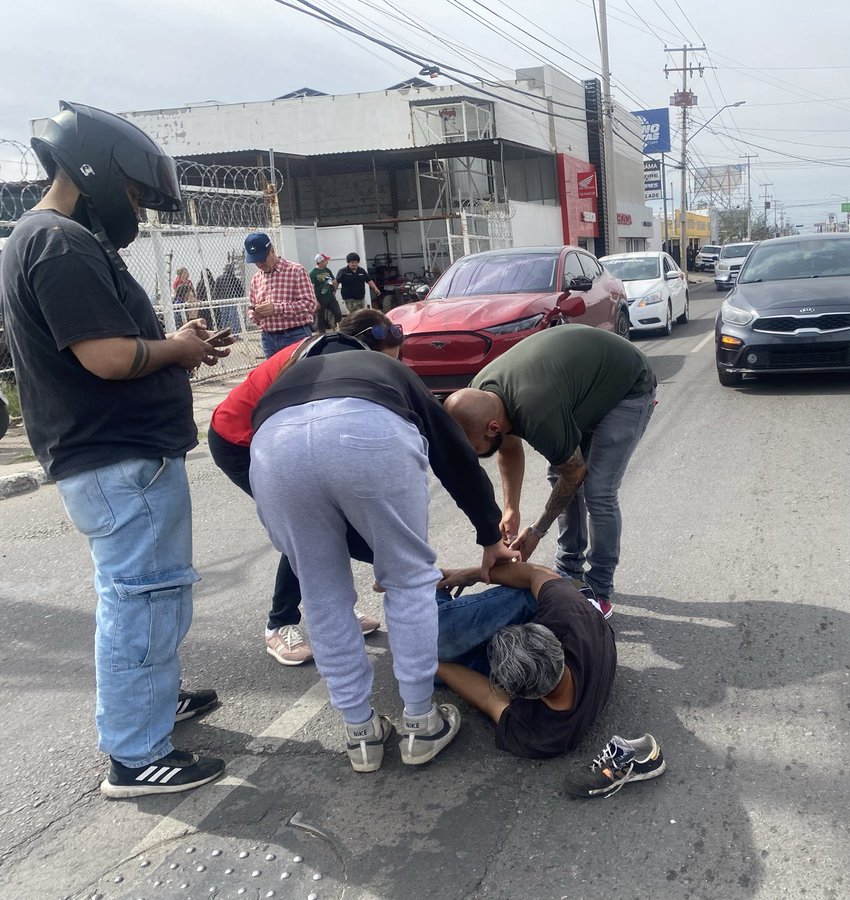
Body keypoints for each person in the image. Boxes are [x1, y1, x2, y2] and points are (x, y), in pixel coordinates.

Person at [0, 101, 235, 798]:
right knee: (143, 601)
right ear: (98, 170)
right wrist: (178, 349)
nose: (133, 207)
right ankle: (136, 754)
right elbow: (105, 357)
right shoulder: (61, 243)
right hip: (119, 460)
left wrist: (178, 347)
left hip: (114, 458)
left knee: (143, 597)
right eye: (133, 192)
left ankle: (150, 703)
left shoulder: (47, 237)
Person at [248, 337, 520, 772]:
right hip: (368, 431)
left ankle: (359, 731)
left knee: (321, 596)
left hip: (274, 445)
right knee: (408, 580)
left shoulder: (286, 378)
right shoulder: (385, 368)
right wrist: (490, 535)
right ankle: (421, 721)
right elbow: (452, 454)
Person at [208, 309, 393, 666]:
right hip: (238, 440)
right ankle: (279, 626)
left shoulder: (336, 356)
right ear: (358, 351)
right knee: (306, 526)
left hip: (276, 436)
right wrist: (392, 560)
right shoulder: (321, 365)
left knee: (329, 519)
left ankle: (336, 606)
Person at [444, 325, 657, 619]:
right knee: (560, 476)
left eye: (474, 447)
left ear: (492, 427)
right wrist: (511, 509)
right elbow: (507, 447)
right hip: (582, 386)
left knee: (598, 490)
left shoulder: (535, 411)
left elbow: (575, 474)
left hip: (627, 384)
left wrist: (537, 530)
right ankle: (569, 569)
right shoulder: (478, 395)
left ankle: (599, 589)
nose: (475, 454)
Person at [435, 561, 618, 758]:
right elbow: (534, 573)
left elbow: (488, 698)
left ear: (513, 692)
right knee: (434, 634)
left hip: (564, 620)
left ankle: (427, 592)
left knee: (433, 658)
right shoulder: (570, 614)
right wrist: (474, 574)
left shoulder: (534, 734)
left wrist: (425, 658)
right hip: (560, 591)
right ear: (555, 642)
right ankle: (428, 603)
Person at [245, 231, 317, 357]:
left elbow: (309, 304)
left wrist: (277, 308)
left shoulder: (295, 271)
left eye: (262, 259)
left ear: (272, 250)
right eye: (255, 261)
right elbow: (252, 308)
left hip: (295, 335)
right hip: (268, 338)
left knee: (300, 369)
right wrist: (256, 315)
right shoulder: (256, 279)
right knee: (274, 371)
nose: (260, 264)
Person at [309, 253, 341, 333]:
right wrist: (315, 301)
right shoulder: (313, 273)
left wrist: (334, 290)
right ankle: (322, 333)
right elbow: (311, 288)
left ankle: (337, 328)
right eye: (325, 260)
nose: (327, 262)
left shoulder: (327, 270)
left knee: (337, 313)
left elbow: (333, 281)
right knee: (320, 318)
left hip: (330, 296)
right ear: (320, 262)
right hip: (320, 298)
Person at [212, 262, 245, 334]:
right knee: (234, 318)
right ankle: (235, 334)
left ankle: (225, 333)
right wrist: (238, 297)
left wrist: (215, 299)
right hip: (232, 300)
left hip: (223, 300)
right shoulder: (234, 279)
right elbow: (240, 291)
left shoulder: (219, 278)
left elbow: (216, 290)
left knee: (224, 318)